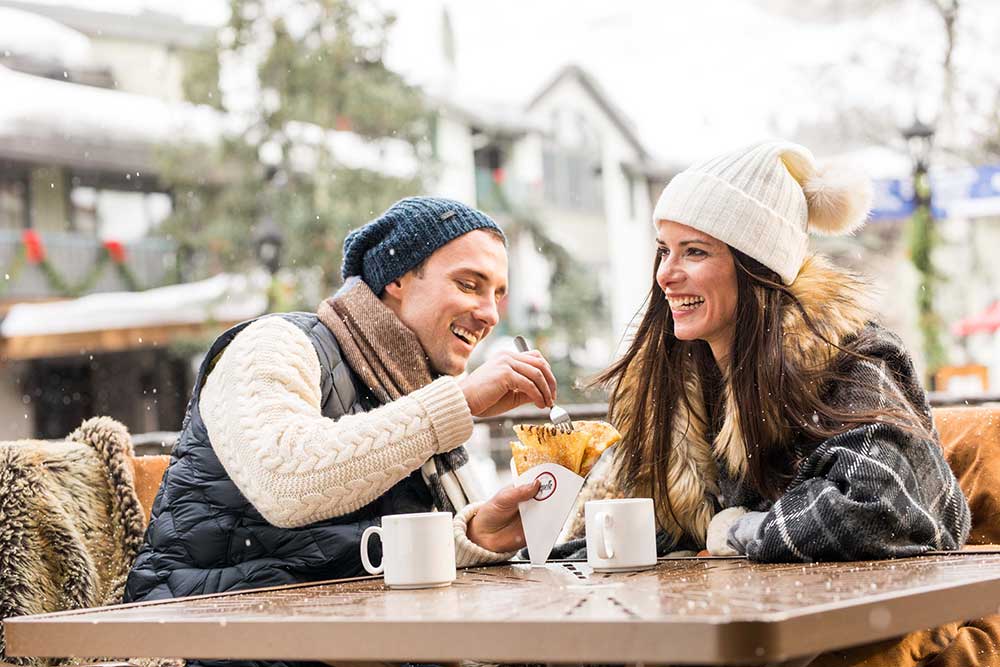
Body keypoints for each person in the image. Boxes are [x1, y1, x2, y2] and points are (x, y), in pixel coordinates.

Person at [125, 197, 553, 610]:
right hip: (198, 630)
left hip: (338, 635)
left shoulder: (415, 387)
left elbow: (368, 554)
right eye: (468, 285)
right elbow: (287, 484)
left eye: (497, 294)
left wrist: (478, 535)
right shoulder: (273, 344)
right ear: (397, 279)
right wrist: (460, 401)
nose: (491, 314)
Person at [559, 140, 970, 562]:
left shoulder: (847, 358)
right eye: (664, 249)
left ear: (755, 267)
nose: (666, 274)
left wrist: (735, 531)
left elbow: (879, 507)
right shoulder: (671, 382)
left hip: (862, 620)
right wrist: (513, 543)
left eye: (695, 252)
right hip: (729, 617)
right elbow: (646, 536)